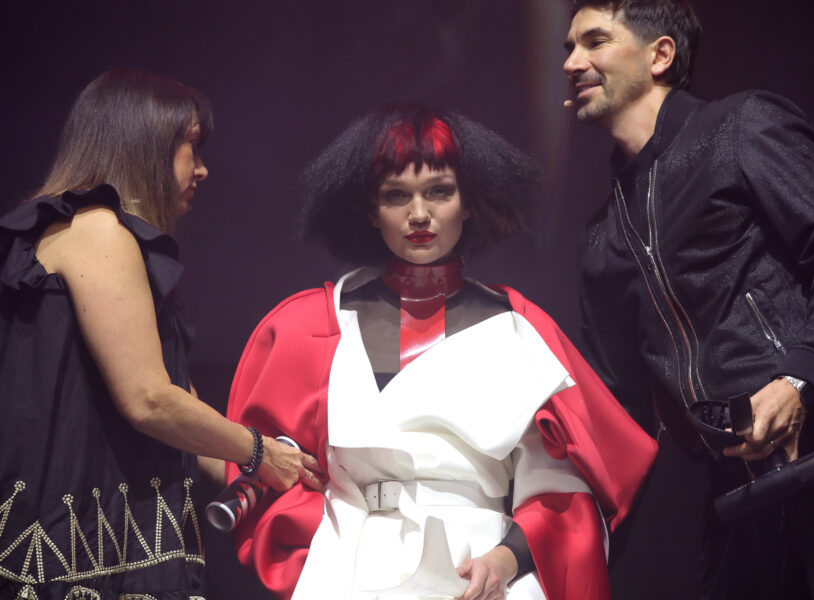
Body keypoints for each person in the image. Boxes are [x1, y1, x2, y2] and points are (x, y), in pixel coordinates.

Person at [223, 103, 658, 600]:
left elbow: (563, 494)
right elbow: (261, 470)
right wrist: (320, 556)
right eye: (396, 195)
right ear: (371, 210)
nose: (419, 214)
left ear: (469, 201)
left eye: (439, 191)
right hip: (345, 565)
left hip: (481, 572)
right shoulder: (308, 325)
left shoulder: (517, 329)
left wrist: (503, 560)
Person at [563, 1, 814, 598]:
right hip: (737, 494)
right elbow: (617, 413)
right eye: (568, 48)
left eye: (594, 41)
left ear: (660, 55)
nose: (571, 62)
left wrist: (798, 378)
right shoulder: (601, 235)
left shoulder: (740, 126)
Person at [0, 69, 311, 599]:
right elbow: (148, 399)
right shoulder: (96, 229)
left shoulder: (101, 235)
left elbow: (177, 401)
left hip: (112, 531)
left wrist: (277, 470)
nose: (203, 169)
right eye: (191, 146)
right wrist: (260, 452)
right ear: (144, 146)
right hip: (73, 535)